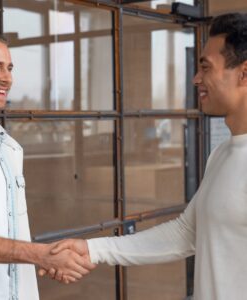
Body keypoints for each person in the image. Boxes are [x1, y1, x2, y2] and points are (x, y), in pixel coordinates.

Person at [48, 13, 247, 299]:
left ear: (243, 73)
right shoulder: (221, 154)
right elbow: (186, 233)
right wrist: (94, 249)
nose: (196, 79)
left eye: (206, 68)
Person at [0, 30, 95, 300]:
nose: (7, 78)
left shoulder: (9, 148)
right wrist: (40, 255)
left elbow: (9, 233)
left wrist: (47, 258)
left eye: (9, 68)